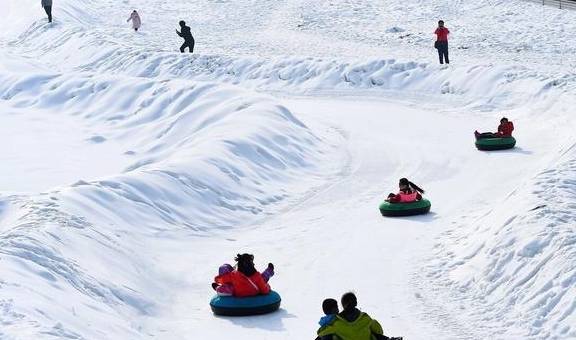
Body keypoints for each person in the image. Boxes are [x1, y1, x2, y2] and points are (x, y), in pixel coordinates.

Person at [317, 292, 402, 340]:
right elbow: (379, 331)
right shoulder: (365, 318)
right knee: (373, 334)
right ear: (356, 303)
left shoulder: (335, 323)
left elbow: (322, 333)